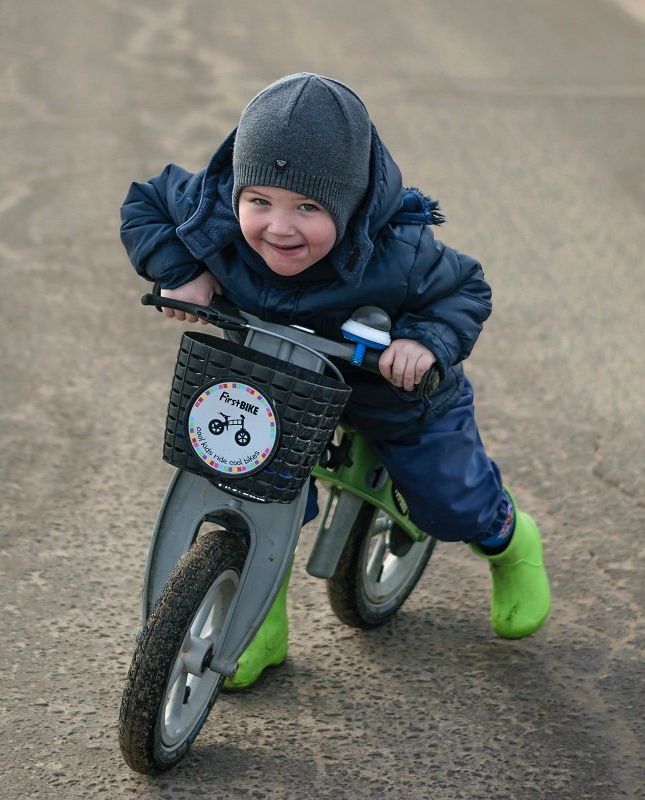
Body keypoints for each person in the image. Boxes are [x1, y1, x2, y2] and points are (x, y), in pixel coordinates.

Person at [120, 72, 551, 689]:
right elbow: (147, 202)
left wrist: (422, 343)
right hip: (279, 386)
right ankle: (260, 628)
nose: (279, 227)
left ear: (348, 207)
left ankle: (510, 541)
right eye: (260, 201)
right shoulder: (211, 207)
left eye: (309, 208)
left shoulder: (397, 253)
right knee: (253, 486)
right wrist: (180, 268)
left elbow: (465, 288)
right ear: (237, 188)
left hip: (391, 393)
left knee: (449, 499)